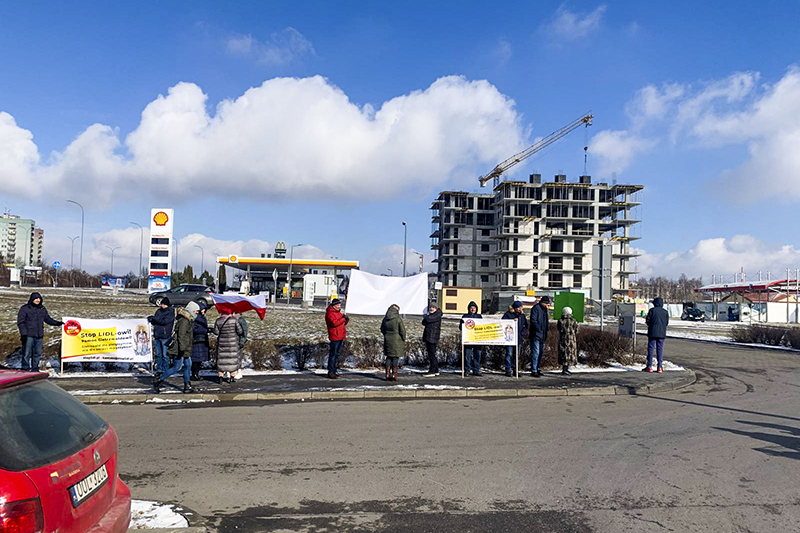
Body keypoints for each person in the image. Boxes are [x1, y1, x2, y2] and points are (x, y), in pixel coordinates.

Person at [154, 302, 198, 393]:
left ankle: (187, 385)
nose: (197, 313)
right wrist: (182, 349)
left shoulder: (189, 320)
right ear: (191, 310)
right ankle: (159, 380)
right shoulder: (184, 321)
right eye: (196, 311)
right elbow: (181, 336)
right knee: (177, 367)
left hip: (185, 347)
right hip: (180, 348)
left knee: (188, 365)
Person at [17, 292, 63, 372]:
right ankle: (25, 369)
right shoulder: (25, 308)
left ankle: (35, 368)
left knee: (37, 354)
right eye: (36, 299)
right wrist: (23, 334)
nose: (37, 300)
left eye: (39, 299)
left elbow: (48, 319)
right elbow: (21, 322)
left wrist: (57, 323)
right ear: (32, 299)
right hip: (28, 335)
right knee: (26, 353)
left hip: (39, 335)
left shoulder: (42, 309)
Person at [213, 308, 244, 384]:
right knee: (232, 360)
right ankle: (231, 377)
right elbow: (240, 331)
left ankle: (220, 378)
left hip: (222, 344)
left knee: (222, 361)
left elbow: (216, 332)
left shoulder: (218, 320)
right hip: (232, 344)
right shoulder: (234, 320)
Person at [148, 297, 174, 377]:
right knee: (158, 354)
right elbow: (156, 322)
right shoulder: (158, 311)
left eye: (164, 304)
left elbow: (164, 322)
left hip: (165, 335)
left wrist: (154, 319)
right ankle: (159, 369)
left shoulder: (170, 313)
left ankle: (165, 369)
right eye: (162, 304)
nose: (162, 306)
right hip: (157, 334)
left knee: (164, 355)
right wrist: (151, 320)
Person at [502, 301, 528, 377]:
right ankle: (508, 369)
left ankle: (515, 370)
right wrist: (512, 320)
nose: (519, 309)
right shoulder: (508, 314)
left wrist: (522, 333)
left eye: (520, 307)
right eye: (517, 307)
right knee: (509, 354)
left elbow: (525, 325)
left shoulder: (522, 316)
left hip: (518, 338)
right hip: (509, 338)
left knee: (516, 355)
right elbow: (503, 323)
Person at [380, 304, 406, 381]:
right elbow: (402, 331)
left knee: (388, 357)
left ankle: (387, 374)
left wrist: (387, 335)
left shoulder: (385, 319)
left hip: (387, 339)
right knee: (395, 357)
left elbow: (382, 329)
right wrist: (403, 338)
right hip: (397, 340)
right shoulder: (398, 319)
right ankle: (394, 375)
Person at [325, 298, 349, 379]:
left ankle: (334, 370)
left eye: (340, 305)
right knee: (333, 354)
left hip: (340, 335)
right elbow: (334, 323)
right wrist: (343, 319)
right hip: (335, 336)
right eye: (338, 305)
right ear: (334, 305)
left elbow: (342, 323)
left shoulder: (337, 313)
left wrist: (346, 319)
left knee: (336, 354)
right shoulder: (330, 313)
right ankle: (331, 371)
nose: (339, 306)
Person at [644, 297, 669, 373]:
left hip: (652, 332)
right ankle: (660, 367)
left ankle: (649, 366)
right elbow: (666, 323)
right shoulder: (665, 312)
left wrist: (650, 325)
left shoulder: (652, 310)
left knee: (651, 349)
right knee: (660, 349)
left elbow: (647, 320)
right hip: (661, 333)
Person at [529, 295, 551, 377]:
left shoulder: (544, 309)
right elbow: (533, 320)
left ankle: (537, 368)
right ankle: (534, 369)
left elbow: (546, 320)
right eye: (546, 303)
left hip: (542, 334)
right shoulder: (536, 308)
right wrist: (539, 328)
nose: (547, 305)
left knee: (540, 352)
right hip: (536, 334)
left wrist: (546, 329)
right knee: (536, 352)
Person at [460, 301, 483, 376]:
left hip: (477, 339)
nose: (473, 309)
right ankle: (467, 370)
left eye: (474, 308)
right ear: (469, 309)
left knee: (477, 355)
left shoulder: (479, 317)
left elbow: (483, 326)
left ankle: (476, 370)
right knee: (467, 355)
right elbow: (460, 327)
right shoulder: (465, 317)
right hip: (468, 338)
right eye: (471, 308)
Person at [421, 303, 443, 377]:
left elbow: (427, 319)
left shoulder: (437, 315)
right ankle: (436, 370)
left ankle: (432, 370)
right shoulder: (432, 315)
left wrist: (426, 316)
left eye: (433, 307)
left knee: (431, 354)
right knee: (432, 353)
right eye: (430, 307)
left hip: (432, 337)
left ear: (436, 308)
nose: (431, 308)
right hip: (429, 336)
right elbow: (423, 322)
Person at [190, 303, 210, 381]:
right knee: (196, 359)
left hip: (201, 340)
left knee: (199, 359)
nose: (204, 311)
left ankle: (196, 373)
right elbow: (194, 329)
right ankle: (194, 374)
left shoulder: (202, 317)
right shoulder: (196, 318)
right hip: (197, 340)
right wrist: (205, 330)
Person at [557, 306, 579, 375]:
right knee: (570, 354)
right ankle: (566, 369)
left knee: (563, 353)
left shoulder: (560, 321)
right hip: (571, 340)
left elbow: (559, 329)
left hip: (563, 339)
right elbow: (576, 330)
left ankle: (564, 368)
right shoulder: (574, 321)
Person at [234, 313, 248, 381]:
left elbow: (244, 332)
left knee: (238, 357)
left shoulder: (241, 320)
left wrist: (242, 341)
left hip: (238, 341)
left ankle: (238, 371)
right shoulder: (232, 320)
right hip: (233, 341)